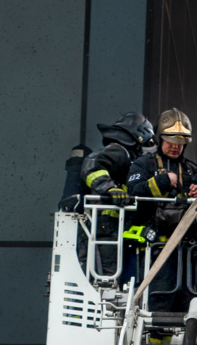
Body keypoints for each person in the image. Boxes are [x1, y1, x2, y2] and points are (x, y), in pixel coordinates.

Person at [126, 108, 197, 313]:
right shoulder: (143, 164)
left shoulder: (192, 170)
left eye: (181, 141)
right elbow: (132, 192)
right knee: (158, 304)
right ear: (159, 137)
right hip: (156, 252)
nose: (175, 146)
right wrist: (162, 181)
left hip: (187, 252)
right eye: (171, 139)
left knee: (187, 306)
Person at [80, 111, 155, 278]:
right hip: (106, 225)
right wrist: (110, 188)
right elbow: (91, 166)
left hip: (111, 225)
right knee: (107, 276)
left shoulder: (123, 154)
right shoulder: (119, 151)